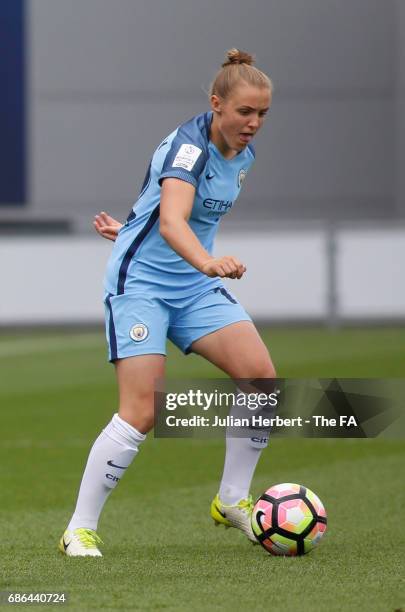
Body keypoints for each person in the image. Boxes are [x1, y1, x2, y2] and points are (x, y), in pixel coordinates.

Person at [59, 48, 275, 557]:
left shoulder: (242, 155)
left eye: (263, 114)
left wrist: (135, 229)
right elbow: (174, 221)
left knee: (261, 380)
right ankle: (79, 528)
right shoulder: (189, 149)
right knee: (141, 411)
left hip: (191, 285)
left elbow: (169, 217)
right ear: (217, 103)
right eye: (245, 112)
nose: (254, 123)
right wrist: (207, 262)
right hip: (145, 287)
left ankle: (231, 500)